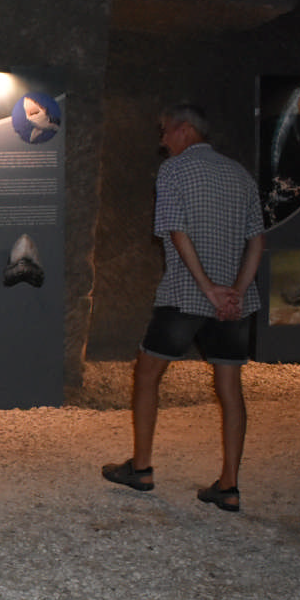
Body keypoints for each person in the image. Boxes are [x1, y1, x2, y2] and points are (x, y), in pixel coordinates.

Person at [103, 103, 265, 512]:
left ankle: (141, 467)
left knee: (147, 374)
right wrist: (234, 292)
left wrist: (208, 289)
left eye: (164, 131)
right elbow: (257, 240)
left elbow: (176, 232)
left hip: (185, 295)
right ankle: (229, 485)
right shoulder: (241, 174)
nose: (162, 141)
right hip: (233, 304)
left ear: (185, 131)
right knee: (230, 388)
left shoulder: (173, 171)